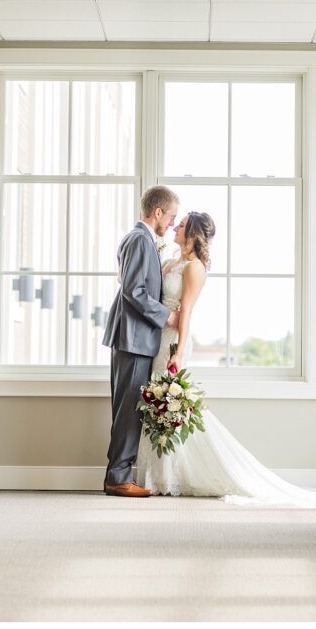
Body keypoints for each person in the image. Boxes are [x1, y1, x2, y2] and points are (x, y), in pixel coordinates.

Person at [135, 211, 316, 508]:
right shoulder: (170, 261)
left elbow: (188, 312)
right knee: (159, 404)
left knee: (172, 405)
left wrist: (178, 352)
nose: (175, 227)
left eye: (180, 225)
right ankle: (161, 475)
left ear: (193, 234)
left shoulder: (194, 268)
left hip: (173, 341)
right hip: (156, 339)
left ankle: (169, 477)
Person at [102, 185, 180, 498]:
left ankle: (118, 474)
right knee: (127, 412)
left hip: (135, 337)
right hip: (133, 337)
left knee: (128, 410)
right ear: (157, 212)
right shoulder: (139, 239)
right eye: (171, 216)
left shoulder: (144, 240)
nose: (172, 223)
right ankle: (118, 478)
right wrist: (167, 316)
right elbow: (134, 291)